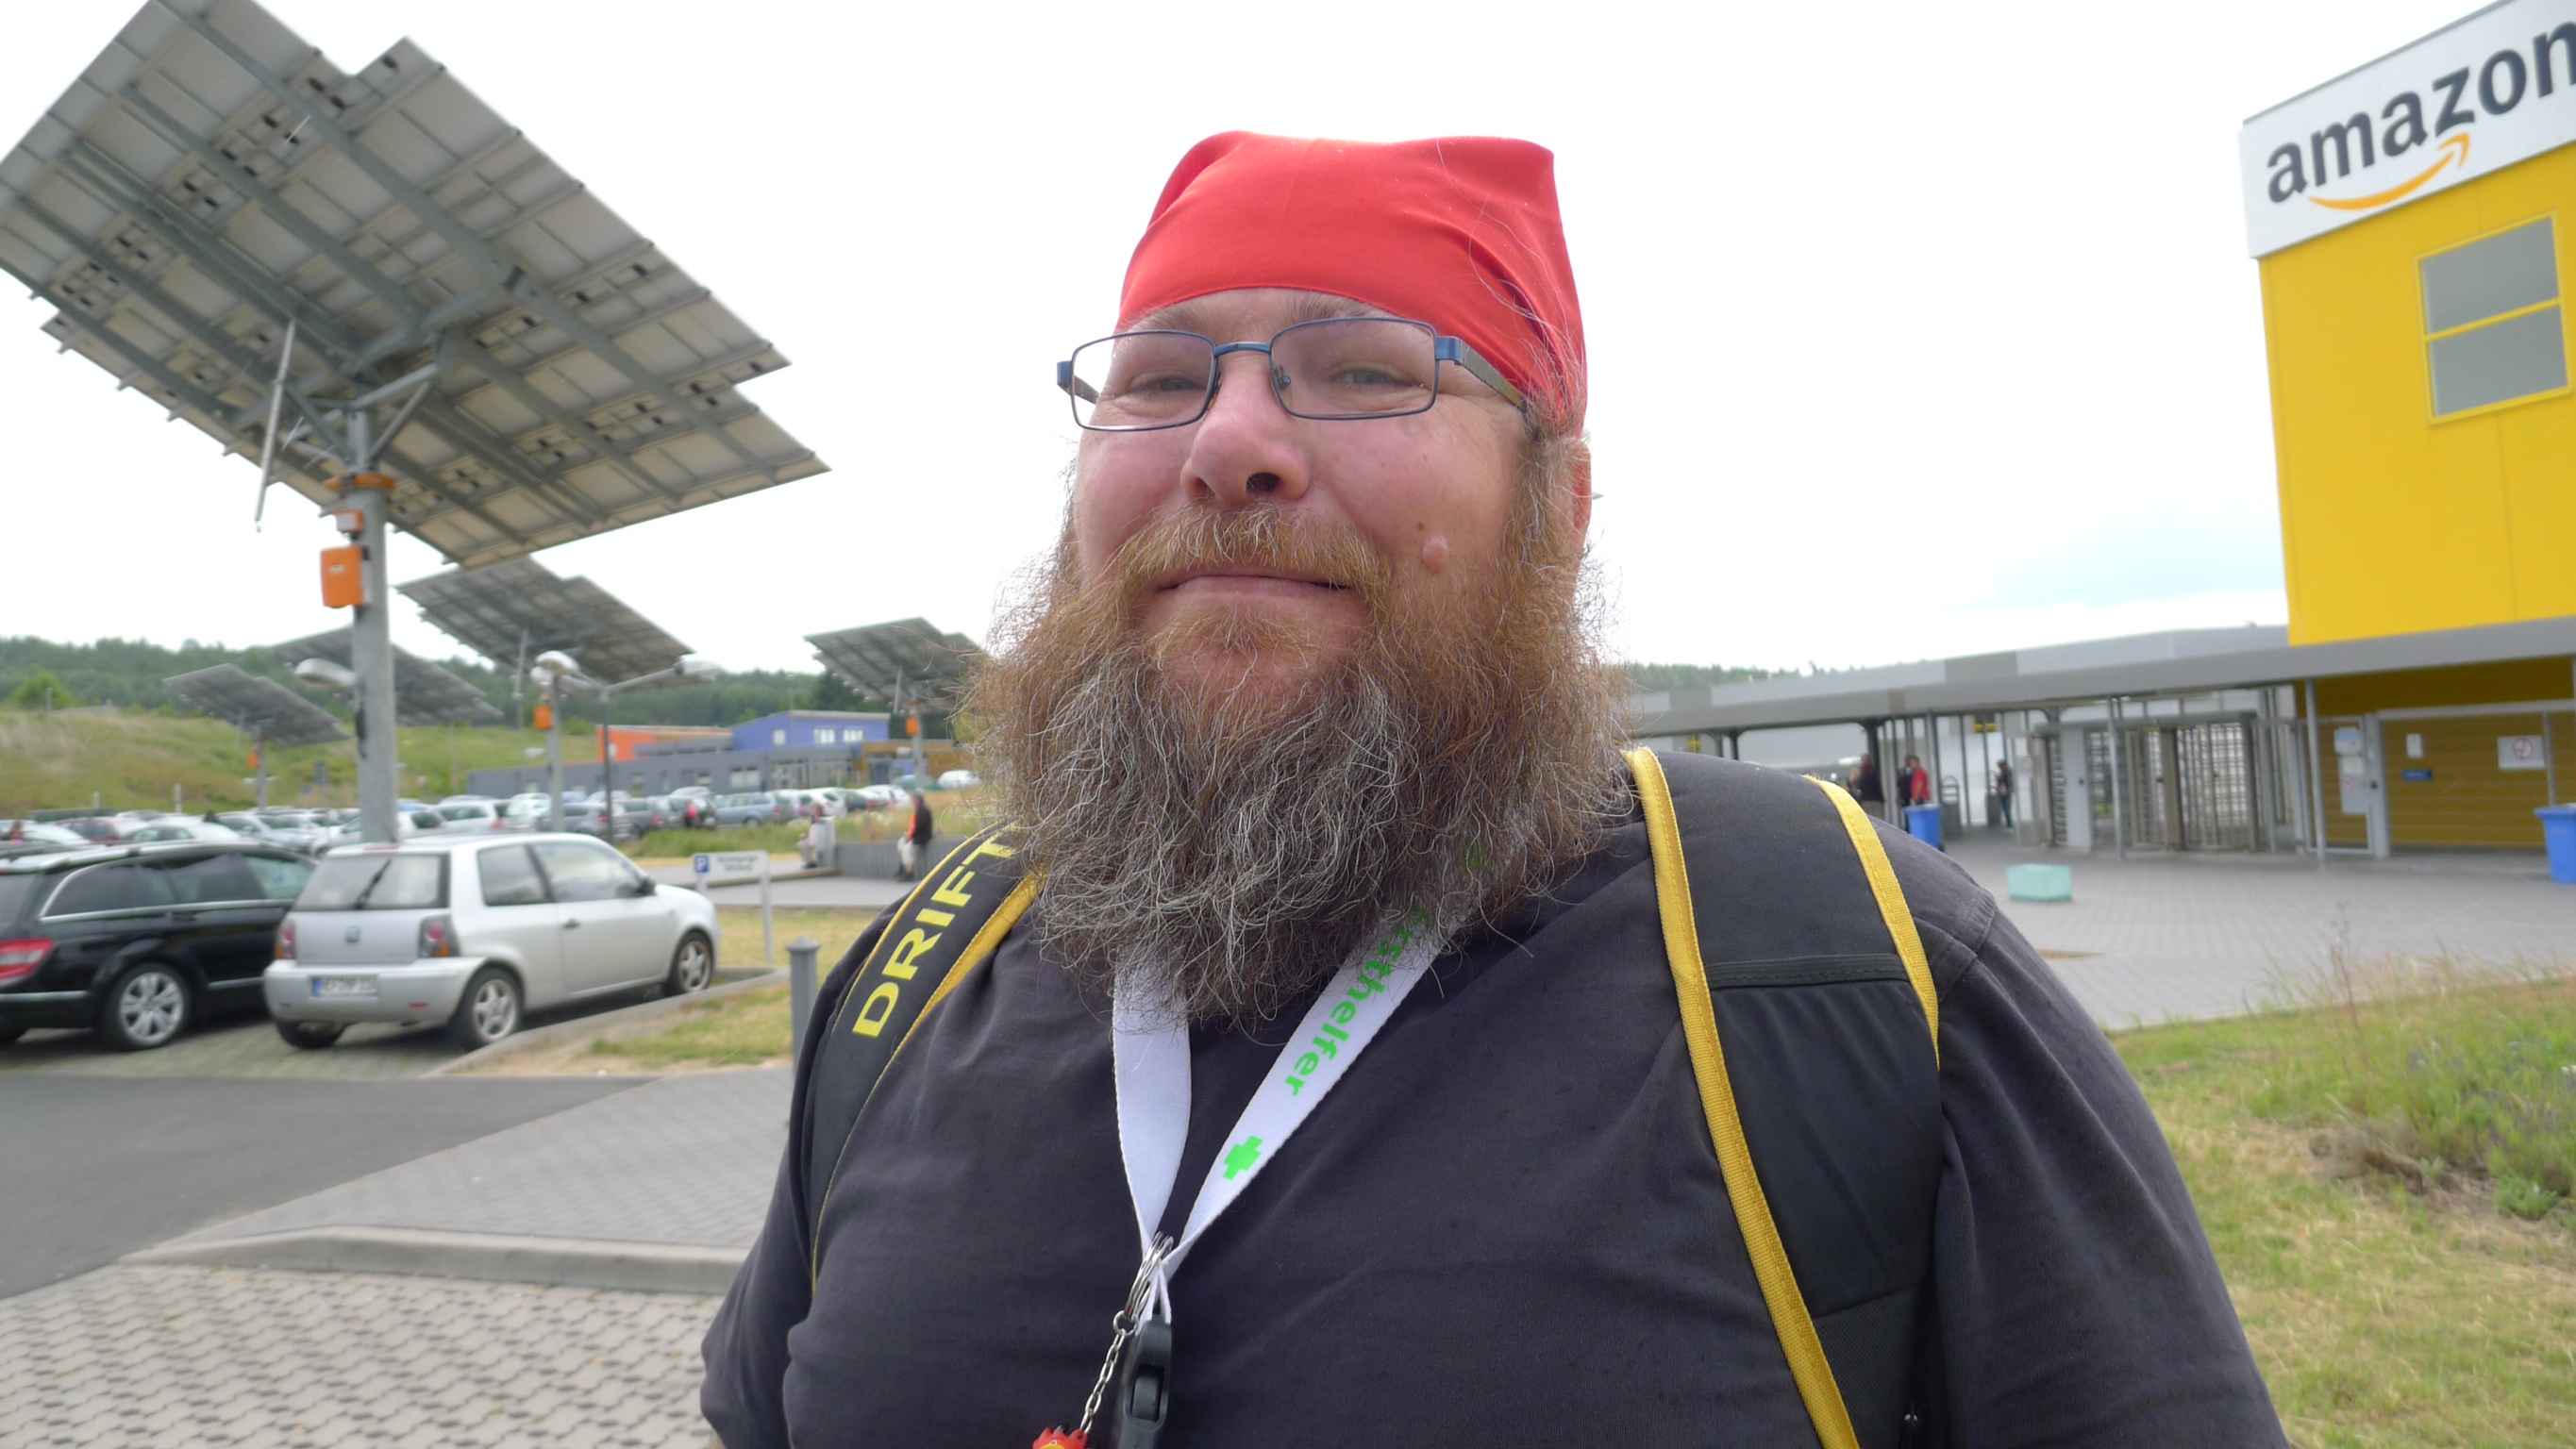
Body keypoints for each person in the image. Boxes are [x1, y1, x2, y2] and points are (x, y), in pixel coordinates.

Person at [702, 132, 2283, 1447]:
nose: (1229, 442)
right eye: (1160, 376)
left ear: (1558, 510)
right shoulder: (916, 980)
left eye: (1361, 370)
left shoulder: (1854, 972)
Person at [895, 789, 933, 881]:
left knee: (906, 849)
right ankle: (902, 867)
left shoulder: (923, 810)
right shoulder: (918, 809)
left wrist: (910, 836)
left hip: (922, 837)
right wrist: (908, 835)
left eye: (913, 798)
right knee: (901, 843)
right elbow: (914, 826)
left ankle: (909, 872)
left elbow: (919, 826)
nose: (912, 800)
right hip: (916, 835)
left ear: (917, 799)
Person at [1995, 758, 2017, 828]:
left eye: (2001, 766)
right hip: (2002, 793)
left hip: (2007, 793)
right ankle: (2008, 824)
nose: (2001, 768)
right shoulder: (2001, 773)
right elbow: (2000, 783)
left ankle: (2009, 825)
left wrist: (2000, 779)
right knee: (2004, 809)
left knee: (2007, 809)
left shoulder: (2009, 773)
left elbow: (2009, 782)